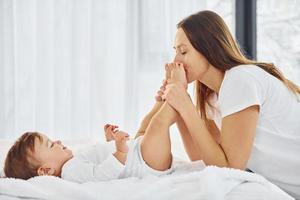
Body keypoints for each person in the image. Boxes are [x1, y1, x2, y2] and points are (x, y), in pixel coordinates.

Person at [156, 10, 300, 199]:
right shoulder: (211, 96)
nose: (176, 61)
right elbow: (203, 158)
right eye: (175, 51)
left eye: (183, 51)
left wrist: (185, 106)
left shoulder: (240, 79)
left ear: (209, 48)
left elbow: (229, 168)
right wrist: (178, 105)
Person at [3, 66, 185, 183]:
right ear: (46, 171)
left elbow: (97, 161)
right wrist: (120, 151)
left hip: (140, 152)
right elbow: (101, 175)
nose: (57, 141)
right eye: (51, 145)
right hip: (147, 163)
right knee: (157, 125)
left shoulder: (72, 164)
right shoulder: (70, 172)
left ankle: (167, 93)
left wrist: (109, 142)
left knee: (147, 123)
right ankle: (178, 89)